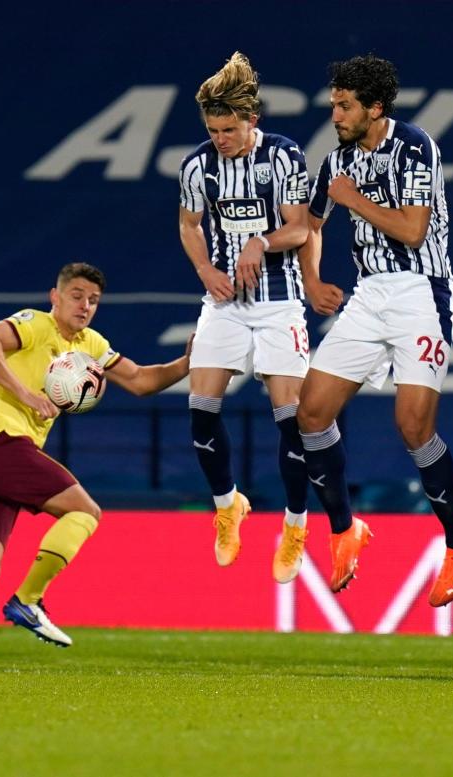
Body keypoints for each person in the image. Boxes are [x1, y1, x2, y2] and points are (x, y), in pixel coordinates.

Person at [0, 262, 190, 664]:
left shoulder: (91, 344)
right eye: (76, 296)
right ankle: (28, 600)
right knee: (85, 512)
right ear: (55, 297)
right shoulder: (35, 324)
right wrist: (27, 394)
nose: (85, 305)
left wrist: (188, 362)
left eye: (93, 300)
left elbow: (141, 380)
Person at [296, 55, 453, 599]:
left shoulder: (414, 145)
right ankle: (346, 529)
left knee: (413, 426)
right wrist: (311, 279)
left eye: (345, 105)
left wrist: (354, 199)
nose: (336, 113)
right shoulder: (336, 162)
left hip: (422, 292)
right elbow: (311, 224)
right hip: (370, 293)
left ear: (375, 108)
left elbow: (414, 229)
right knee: (311, 412)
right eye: (333, 103)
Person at [178, 52, 312, 582]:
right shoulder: (198, 165)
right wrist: (206, 269)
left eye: (229, 129)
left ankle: (295, 525)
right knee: (201, 407)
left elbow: (299, 228)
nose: (220, 139)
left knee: (292, 419)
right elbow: (189, 224)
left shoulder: (282, 157)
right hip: (225, 301)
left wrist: (260, 240)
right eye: (213, 130)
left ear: (251, 121)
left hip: (280, 301)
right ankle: (227, 504)